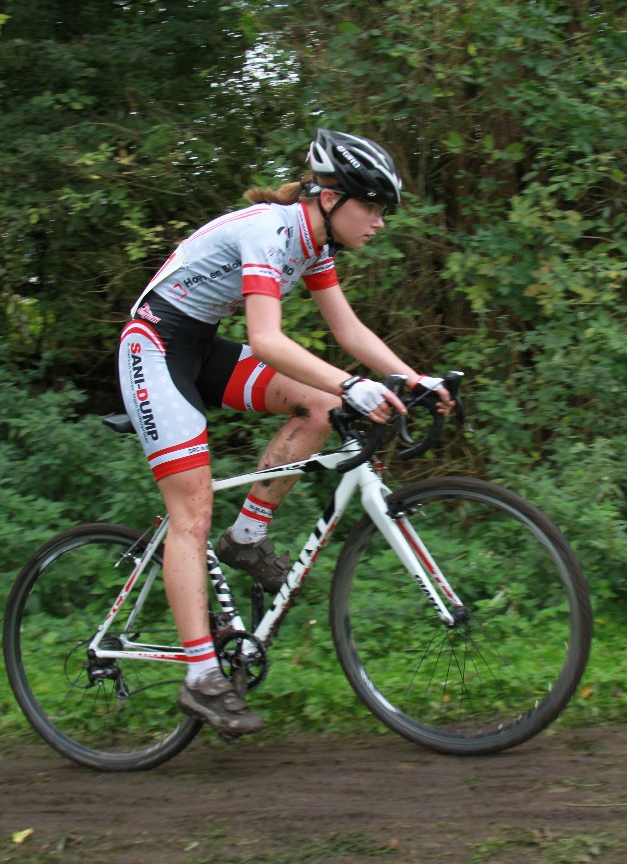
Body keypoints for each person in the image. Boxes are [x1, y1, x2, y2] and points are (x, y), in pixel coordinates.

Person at [116, 129, 451, 736]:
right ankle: (200, 678)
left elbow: (348, 330)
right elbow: (267, 339)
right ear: (331, 198)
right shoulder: (271, 231)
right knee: (192, 512)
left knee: (321, 407)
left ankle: (247, 538)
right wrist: (354, 385)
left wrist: (412, 378)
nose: (380, 221)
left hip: (199, 346)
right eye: (372, 206)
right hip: (155, 345)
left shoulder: (313, 245)